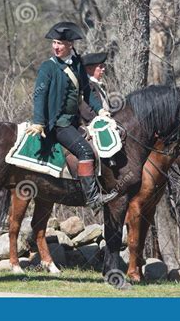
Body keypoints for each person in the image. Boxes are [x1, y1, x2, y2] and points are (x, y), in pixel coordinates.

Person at [25, 22, 117, 209]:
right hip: (58, 125)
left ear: (70, 45)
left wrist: (100, 110)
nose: (55, 47)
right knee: (85, 151)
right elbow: (39, 95)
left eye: (60, 43)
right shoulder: (47, 68)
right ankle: (92, 198)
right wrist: (38, 122)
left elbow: (87, 92)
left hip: (74, 123)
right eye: (54, 43)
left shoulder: (77, 65)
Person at [79, 52, 110, 123]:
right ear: (89, 69)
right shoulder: (87, 85)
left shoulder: (96, 84)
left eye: (104, 66)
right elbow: (85, 109)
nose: (103, 69)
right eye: (100, 66)